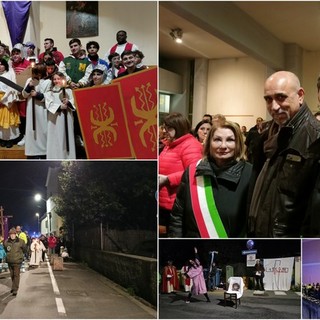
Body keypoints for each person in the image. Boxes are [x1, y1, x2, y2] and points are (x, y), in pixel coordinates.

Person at [247, 71, 320, 238]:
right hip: (260, 237)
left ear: (300, 95)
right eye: (268, 99)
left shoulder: (315, 138)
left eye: (281, 97)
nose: (274, 106)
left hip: (290, 245)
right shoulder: (266, 135)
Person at [169, 120, 252, 238]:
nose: (223, 146)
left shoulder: (250, 174)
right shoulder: (192, 171)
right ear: (209, 143)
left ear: (238, 143)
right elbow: (177, 217)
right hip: (193, 252)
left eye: (230, 140)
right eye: (217, 140)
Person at [158, 112, 203, 237]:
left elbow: (194, 171)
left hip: (176, 203)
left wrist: (168, 179)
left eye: (169, 128)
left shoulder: (191, 145)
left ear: (179, 128)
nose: (165, 131)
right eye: (164, 127)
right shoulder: (170, 144)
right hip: (165, 201)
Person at [22, 63, 51, 159]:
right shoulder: (29, 80)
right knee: (31, 131)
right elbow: (24, 95)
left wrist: (38, 95)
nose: (37, 74)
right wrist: (29, 86)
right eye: (36, 72)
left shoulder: (47, 82)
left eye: (39, 72)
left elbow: (48, 97)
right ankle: (32, 152)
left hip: (41, 110)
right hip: (31, 110)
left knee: (42, 130)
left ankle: (43, 152)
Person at [44, 72, 76, 159]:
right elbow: (49, 104)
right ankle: (55, 157)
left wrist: (68, 102)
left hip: (67, 117)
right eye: (54, 79)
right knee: (55, 137)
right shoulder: (49, 92)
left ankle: (68, 157)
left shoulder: (69, 91)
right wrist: (60, 107)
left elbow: (75, 102)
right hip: (55, 119)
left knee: (67, 136)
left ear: (63, 79)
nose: (56, 81)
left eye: (58, 79)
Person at [0, 58, 20, 148]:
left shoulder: (9, 74)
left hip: (7, 100)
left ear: (5, 65)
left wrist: (3, 99)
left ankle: (10, 139)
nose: (0, 66)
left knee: (9, 121)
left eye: (2, 64)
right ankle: (2, 139)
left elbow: (11, 88)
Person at [3, 228, 27, 296]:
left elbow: (25, 249)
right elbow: (5, 249)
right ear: (9, 235)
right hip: (10, 261)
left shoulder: (21, 241)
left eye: (13, 234)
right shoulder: (6, 242)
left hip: (17, 261)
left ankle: (15, 289)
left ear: (15, 234)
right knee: (12, 275)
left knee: (16, 275)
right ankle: (13, 287)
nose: (12, 235)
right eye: (11, 234)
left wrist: (21, 256)